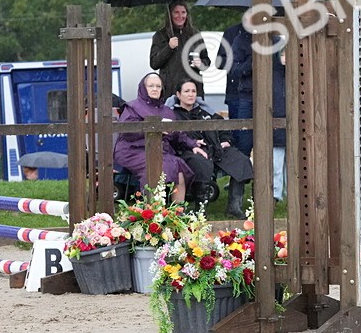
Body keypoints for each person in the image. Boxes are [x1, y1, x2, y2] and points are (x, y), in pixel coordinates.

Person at [113, 73, 207, 204]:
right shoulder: (132, 107)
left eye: (158, 86)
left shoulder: (167, 111)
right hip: (132, 150)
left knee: (179, 169)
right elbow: (126, 132)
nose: (155, 89)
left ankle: (177, 212)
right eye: (151, 86)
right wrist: (152, 129)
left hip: (159, 151)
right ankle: (153, 211)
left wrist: (193, 145)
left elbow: (177, 134)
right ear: (143, 88)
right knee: (156, 168)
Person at [172, 79, 255, 219]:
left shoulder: (205, 111)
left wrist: (226, 140)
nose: (191, 94)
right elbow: (175, 137)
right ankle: (201, 210)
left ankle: (234, 207)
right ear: (178, 94)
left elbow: (222, 126)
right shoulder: (173, 114)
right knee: (201, 164)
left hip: (216, 148)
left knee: (241, 160)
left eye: (193, 91)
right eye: (186, 91)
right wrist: (192, 144)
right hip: (189, 151)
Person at [232, 28, 288, 201]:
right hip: (248, 98)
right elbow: (233, 70)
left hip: (273, 99)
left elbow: (283, 71)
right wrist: (253, 61)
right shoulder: (241, 40)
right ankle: (236, 200)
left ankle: (266, 194)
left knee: (273, 148)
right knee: (244, 146)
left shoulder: (278, 41)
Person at [150, 0, 209, 99]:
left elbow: (206, 60)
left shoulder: (195, 34)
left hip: (193, 92)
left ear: (187, 14)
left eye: (183, 12)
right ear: (170, 15)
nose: (180, 16)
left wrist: (201, 63)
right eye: (176, 12)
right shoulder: (160, 36)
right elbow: (154, 63)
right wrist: (169, 47)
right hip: (170, 92)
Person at [217, 19, 251, 156]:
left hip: (263, 93)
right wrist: (241, 62)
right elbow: (219, 61)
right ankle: (239, 167)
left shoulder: (268, 32)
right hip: (236, 92)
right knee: (238, 137)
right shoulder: (231, 33)